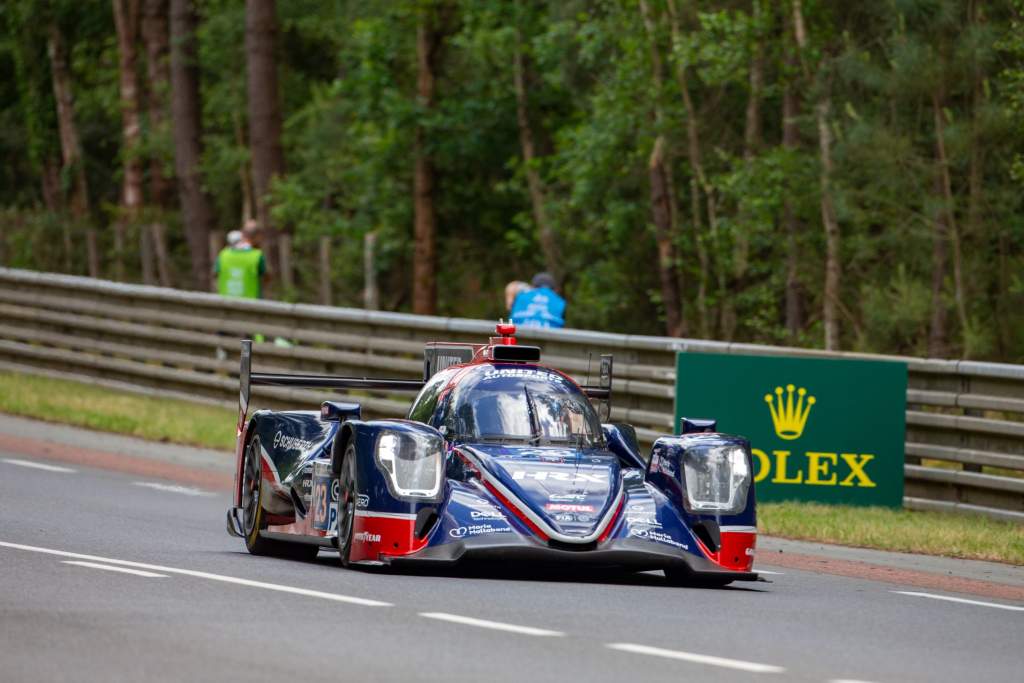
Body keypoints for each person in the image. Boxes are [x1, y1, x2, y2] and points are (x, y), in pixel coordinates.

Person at [213, 221, 266, 299]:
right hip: (251, 305)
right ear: (258, 237)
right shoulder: (257, 256)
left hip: (225, 304)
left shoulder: (223, 254)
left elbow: (215, 275)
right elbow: (265, 278)